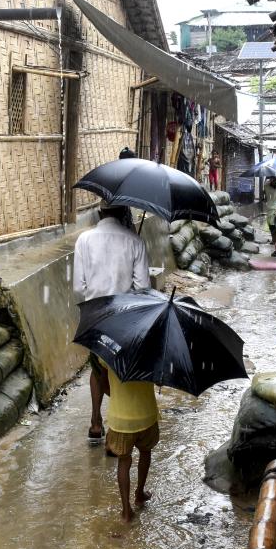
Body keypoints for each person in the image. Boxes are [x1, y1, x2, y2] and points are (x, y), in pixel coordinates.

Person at [73, 203, 150, 441]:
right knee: (120, 372)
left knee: (97, 370)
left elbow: (78, 287)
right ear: (124, 213)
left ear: (99, 213)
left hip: (94, 316)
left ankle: (96, 423)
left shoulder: (84, 240)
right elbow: (143, 287)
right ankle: (116, 432)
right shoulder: (135, 242)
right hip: (124, 317)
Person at [105, 363, 158, 523]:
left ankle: (126, 511)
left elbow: (102, 380)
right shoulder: (154, 351)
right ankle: (140, 494)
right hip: (146, 414)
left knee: (124, 461)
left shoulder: (109, 350)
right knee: (145, 452)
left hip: (120, 418)